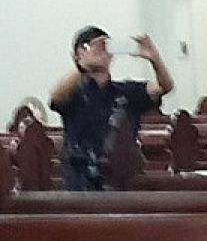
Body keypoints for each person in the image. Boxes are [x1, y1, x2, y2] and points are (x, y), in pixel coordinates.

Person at [48, 27, 174, 190]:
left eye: (106, 46)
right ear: (79, 54)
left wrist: (154, 58)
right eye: (93, 46)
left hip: (122, 180)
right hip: (81, 182)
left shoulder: (126, 92)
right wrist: (82, 68)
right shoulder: (73, 93)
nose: (102, 52)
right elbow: (55, 97)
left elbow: (165, 86)